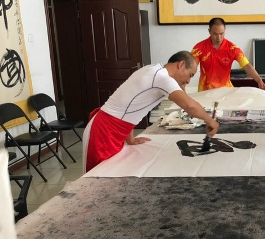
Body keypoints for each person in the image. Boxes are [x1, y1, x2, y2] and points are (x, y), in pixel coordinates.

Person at [83, 51, 219, 172]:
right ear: (181, 64)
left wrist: (130, 139)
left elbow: (129, 105)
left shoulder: (153, 69)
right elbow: (189, 106)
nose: (188, 80)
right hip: (104, 131)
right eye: (190, 75)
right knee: (97, 179)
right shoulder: (162, 78)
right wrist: (211, 121)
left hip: (113, 129)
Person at [192, 17, 265, 92]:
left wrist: (259, 81)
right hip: (205, 91)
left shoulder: (232, 48)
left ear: (225, 30)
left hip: (226, 90)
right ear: (209, 31)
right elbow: (190, 67)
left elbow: (246, 65)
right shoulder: (199, 48)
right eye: (215, 34)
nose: (219, 38)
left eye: (221, 33)